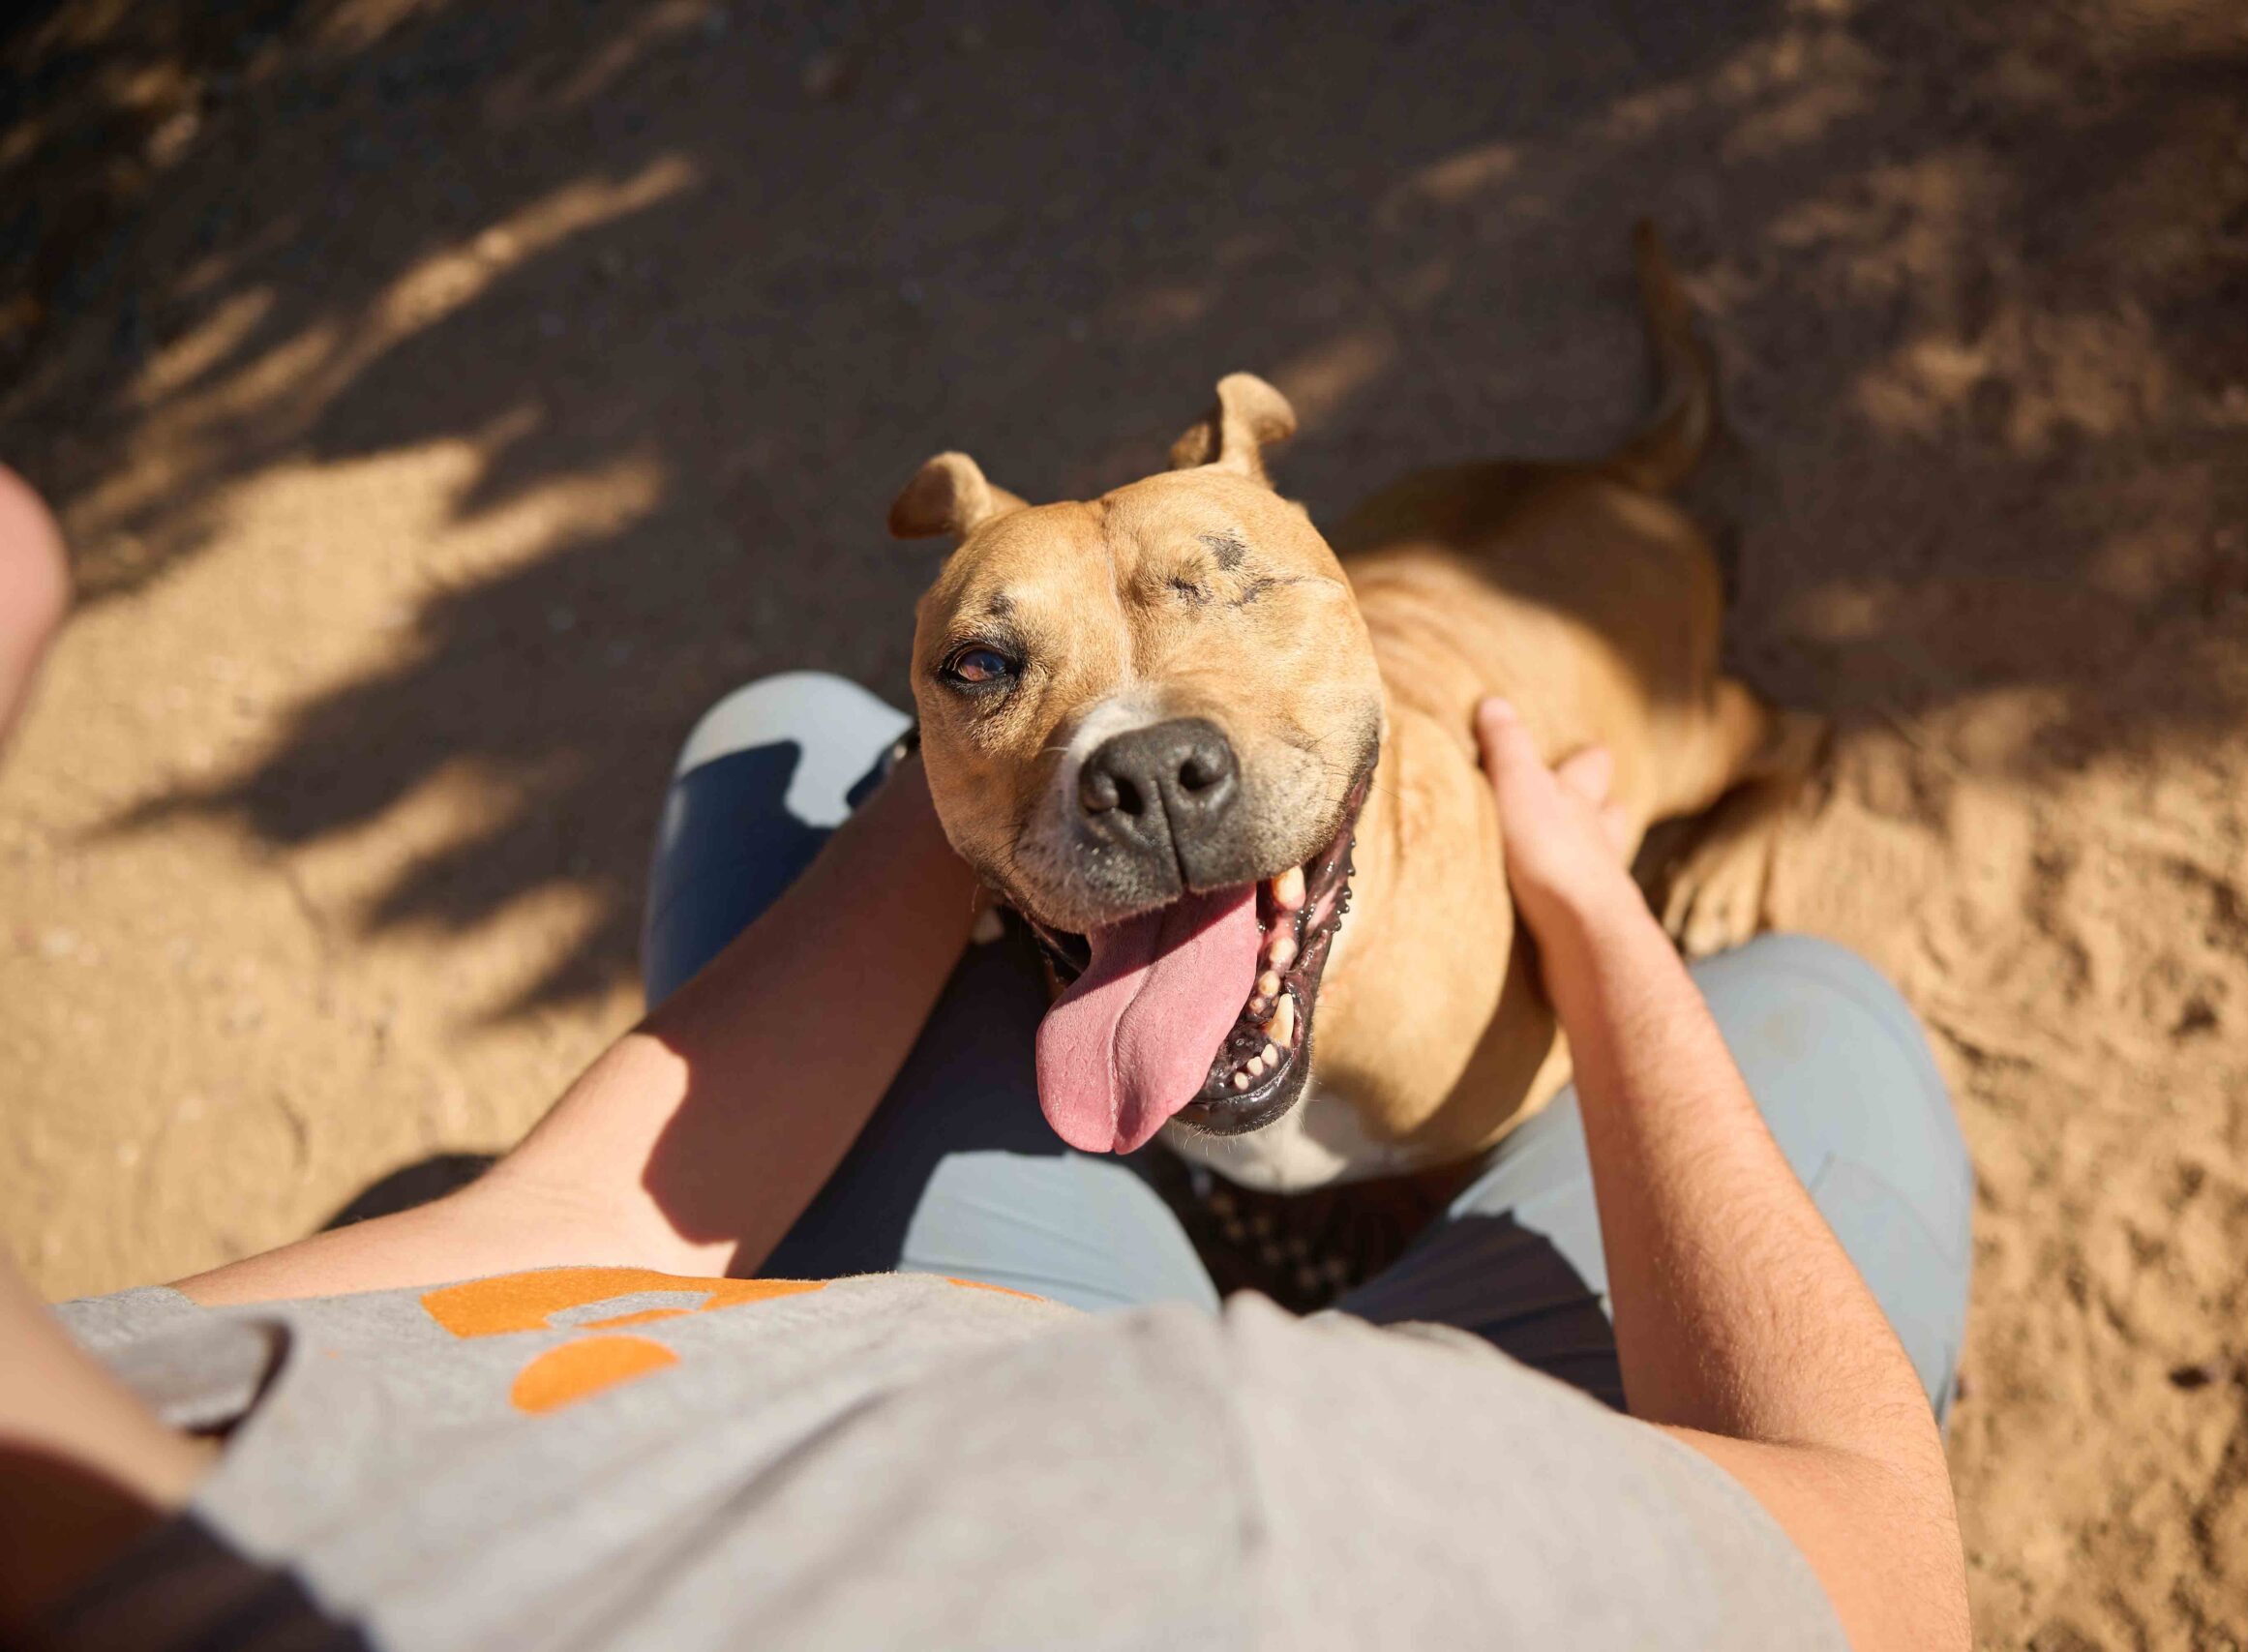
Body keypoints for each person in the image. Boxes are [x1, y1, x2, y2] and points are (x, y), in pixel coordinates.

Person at [0, 464, 1972, 1650]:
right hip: (1454, 1498)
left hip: (911, 1332)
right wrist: (1599, 915)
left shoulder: (127, 1408)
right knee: (1806, 1010)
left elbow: (562, 1218)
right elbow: (1879, 1561)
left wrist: (994, 769)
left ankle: (1224, 1142)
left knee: (786, 735)